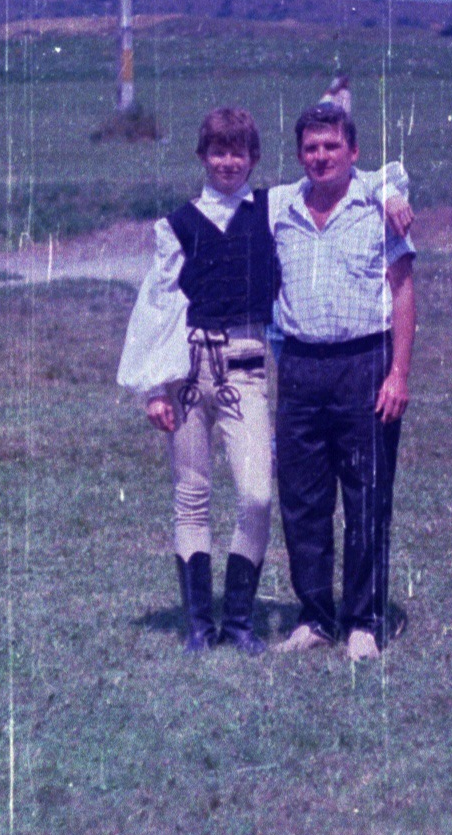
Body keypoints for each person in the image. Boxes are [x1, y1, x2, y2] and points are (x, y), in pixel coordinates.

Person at [116, 107, 411, 654]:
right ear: (201, 157)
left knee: (257, 495)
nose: (228, 163)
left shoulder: (266, 205)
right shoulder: (189, 223)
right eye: (217, 152)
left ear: (254, 159)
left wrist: (392, 189)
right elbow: (157, 306)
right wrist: (152, 388)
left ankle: (256, 619)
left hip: (251, 370)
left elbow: (362, 174)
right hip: (190, 371)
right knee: (197, 495)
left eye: (239, 153)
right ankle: (206, 626)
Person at [271, 103, 416, 663]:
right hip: (302, 369)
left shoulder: (382, 210)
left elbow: (402, 291)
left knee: (367, 497)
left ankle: (363, 621)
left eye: (331, 146)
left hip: (366, 364)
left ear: (352, 152)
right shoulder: (280, 209)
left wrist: (398, 372)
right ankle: (315, 616)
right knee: (302, 500)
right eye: (310, 147)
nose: (320, 156)